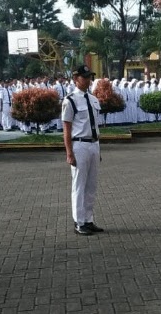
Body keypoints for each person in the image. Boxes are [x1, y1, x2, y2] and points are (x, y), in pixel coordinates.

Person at [62, 65, 104, 236]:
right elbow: (66, 128)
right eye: (85, 77)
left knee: (91, 185)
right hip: (79, 144)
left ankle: (88, 219)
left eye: (90, 77)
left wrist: (98, 149)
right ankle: (79, 222)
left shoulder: (93, 99)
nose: (88, 80)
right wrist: (69, 152)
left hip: (93, 144)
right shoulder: (70, 100)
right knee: (79, 186)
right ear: (76, 79)